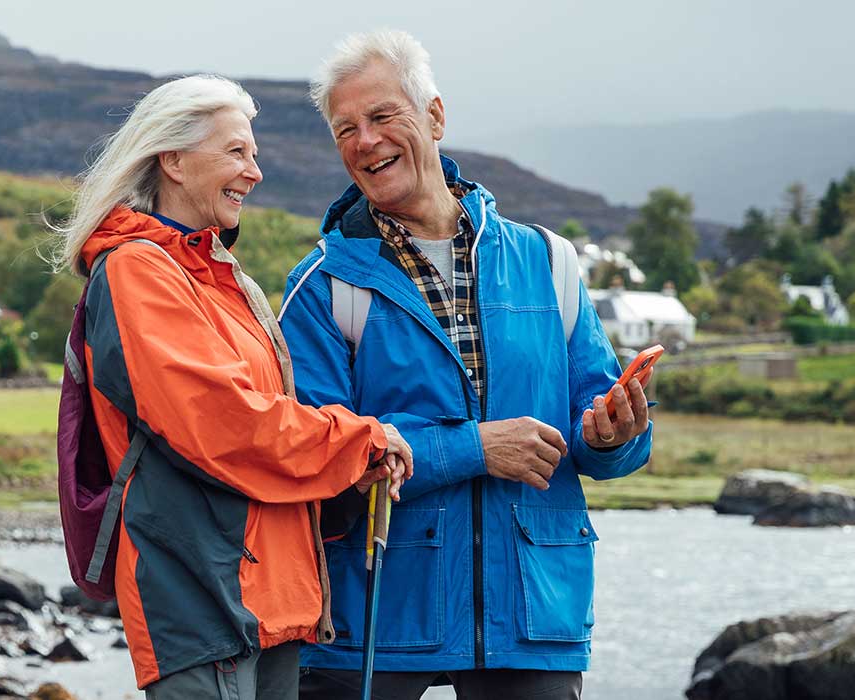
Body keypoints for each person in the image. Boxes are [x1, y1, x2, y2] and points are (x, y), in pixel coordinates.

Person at [279, 31, 655, 699]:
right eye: (346, 129)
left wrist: (613, 436)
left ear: (435, 116)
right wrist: (475, 448)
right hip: (372, 618)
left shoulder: (549, 261)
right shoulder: (322, 287)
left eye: (383, 115)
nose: (366, 140)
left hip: (532, 616)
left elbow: (601, 437)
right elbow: (316, 460)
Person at [52, 74, 415, 699]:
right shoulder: (137, 270)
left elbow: (266, 423)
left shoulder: (221, 278)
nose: (255, 171)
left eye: (254, 153)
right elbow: (222, 423)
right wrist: (359, 441)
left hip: (271, 601)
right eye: (236, 152)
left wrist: (350, 468)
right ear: (173, 161)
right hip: (202, 597)